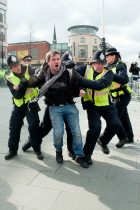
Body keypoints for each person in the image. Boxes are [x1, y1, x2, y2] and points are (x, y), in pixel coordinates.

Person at [74, 50, 122, 163]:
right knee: (95, 129)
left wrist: (80, 80)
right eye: (97, 63)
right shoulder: (84, 68)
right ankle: (86, 155)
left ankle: (103, 141)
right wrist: (80, 88)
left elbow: (99, 85)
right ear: (92, 63)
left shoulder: (109, 73)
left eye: (102, 63)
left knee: (116, 124)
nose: (100, 66)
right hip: (92, 105)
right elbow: (74, 73)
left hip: (106, 104)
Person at [5, 55, 43, 160]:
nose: (18, 67)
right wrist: (23, 83)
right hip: (18, 105)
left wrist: (20, 86)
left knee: (34, 127)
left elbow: (38, 81)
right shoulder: (9, 77)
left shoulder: (29, 69)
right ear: (10, 68)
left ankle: (37, 150)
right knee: (14, 127)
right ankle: (12, 151)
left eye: (18, 64)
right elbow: (17, 95)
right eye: (14, 66)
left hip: (31, 103)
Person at [105, 47, 134, 146]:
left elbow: (124, 79)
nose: (106, 58)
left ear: (114, 56)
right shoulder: (108, 66)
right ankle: (130, 137)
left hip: (123, 96)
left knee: (114, 117)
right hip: (115, 96)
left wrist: (111, 74)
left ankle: (122, 137)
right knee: (124, 117)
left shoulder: (120, 65)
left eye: (108, 56)